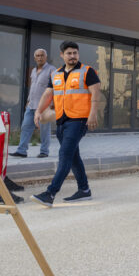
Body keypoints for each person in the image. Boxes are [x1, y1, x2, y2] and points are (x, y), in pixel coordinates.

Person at [30, 41, 103, 206]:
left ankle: (50, 193)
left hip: (79, 120)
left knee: (64, 155)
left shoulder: (87, 71)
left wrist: (93, 114)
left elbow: (95, 93)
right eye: (69, 53)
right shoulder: (55, 74)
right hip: (62, 119)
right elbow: (47, 94)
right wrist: (38, 111)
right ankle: (84, 190)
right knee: (73, 156)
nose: (72, 56)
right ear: (62, 55)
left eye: (75, 53)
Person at [12, 48, 56, 159]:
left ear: (46, 57)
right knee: (25, 127)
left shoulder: (52, 70)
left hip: (44, 107)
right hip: (31, 105)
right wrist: (28, 100)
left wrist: (53, 103)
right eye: (37, 55)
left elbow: (56, 87)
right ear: (34, 57)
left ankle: (44, 151)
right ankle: (22, 151)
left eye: (42, 55)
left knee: (44, 130)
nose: (40, 57)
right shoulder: (33, 71)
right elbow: (33, 87)